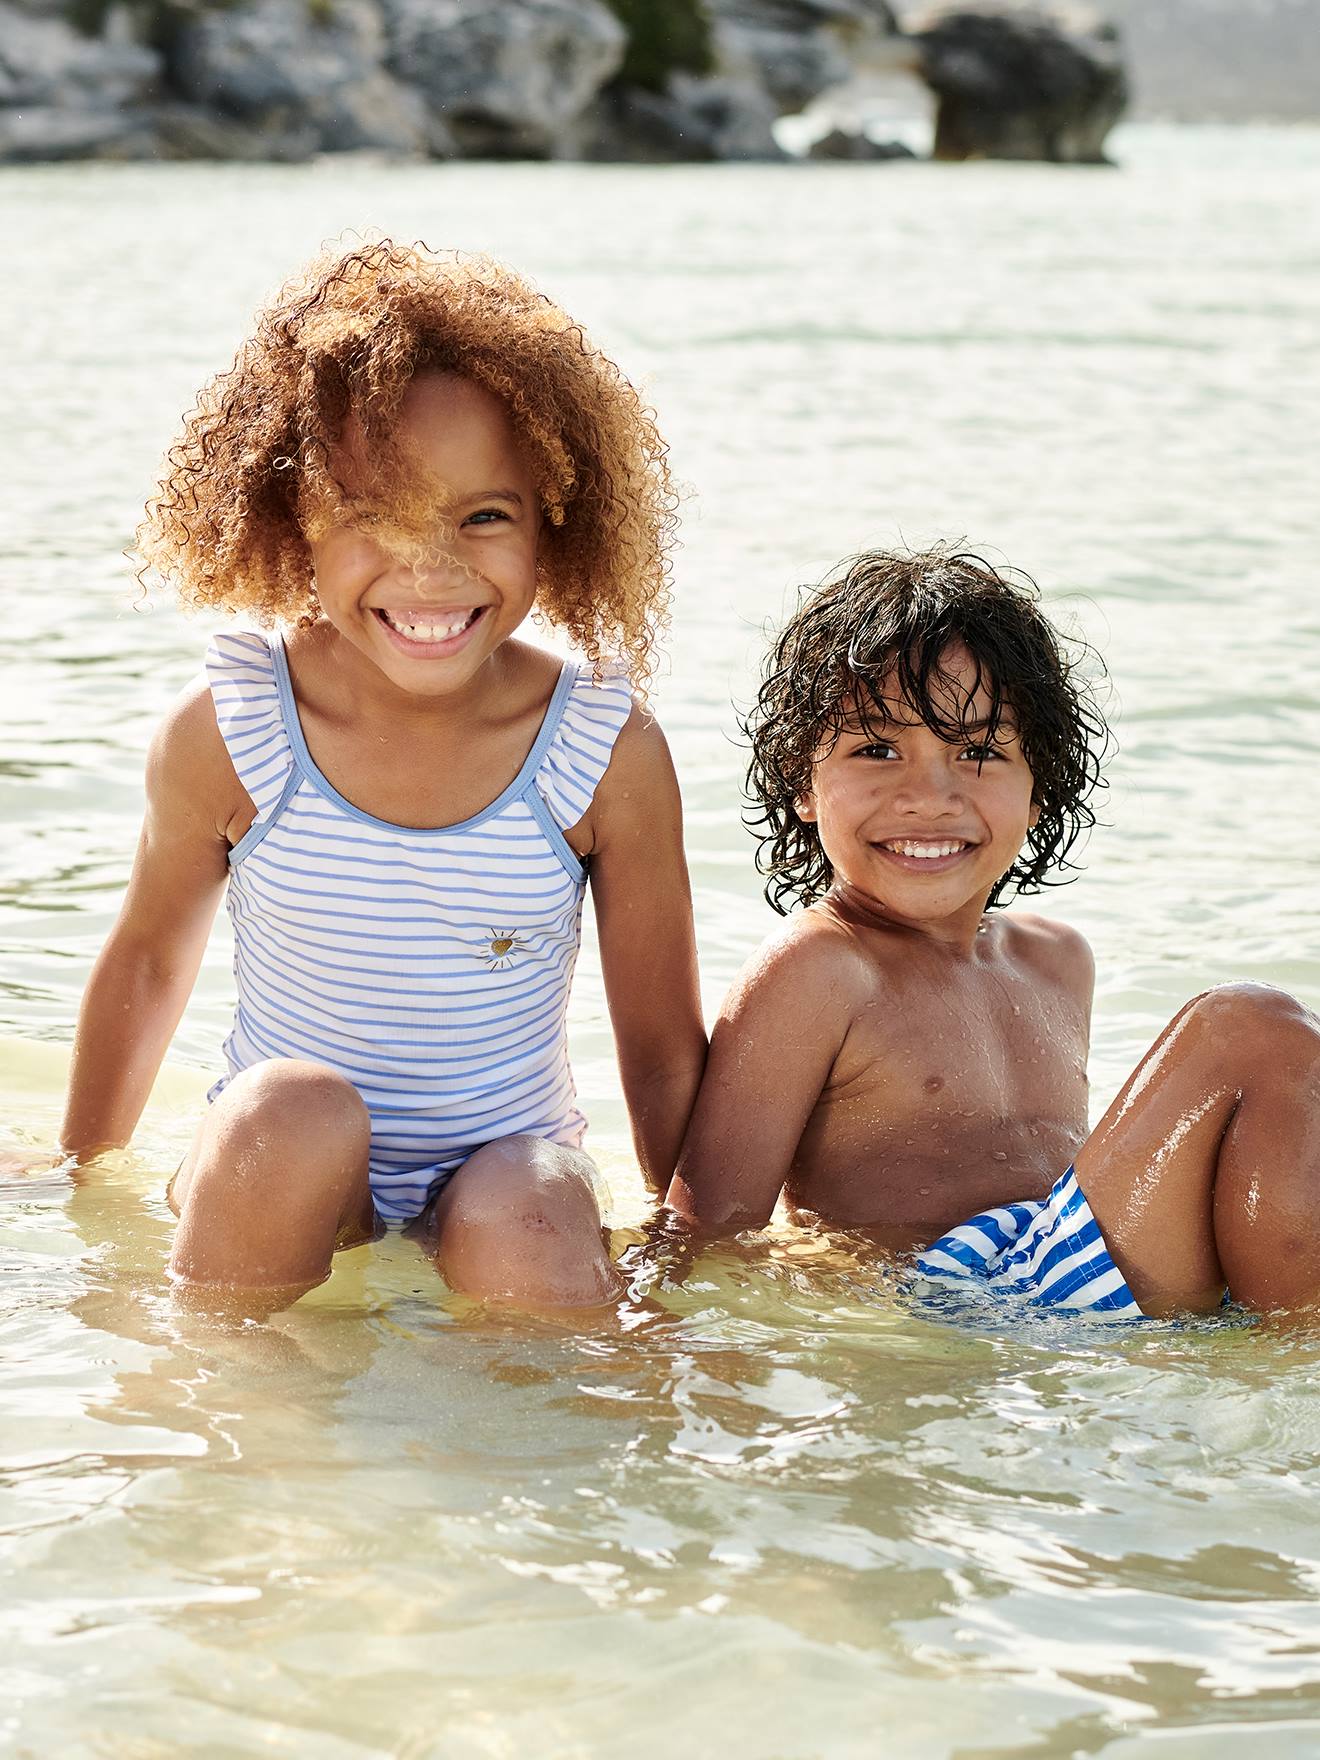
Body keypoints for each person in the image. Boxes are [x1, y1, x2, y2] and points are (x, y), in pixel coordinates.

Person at [56, 240, 706, 1314]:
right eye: (372, 515)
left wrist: (690, 1250)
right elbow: (145, 965)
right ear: (290, 517)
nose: (431, 568)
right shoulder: (235, 727)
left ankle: (546, 1447)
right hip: (279, 1172)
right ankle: (240, 1426)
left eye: (483, 516)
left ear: (557, 516)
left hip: (503, 1182)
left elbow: (661, 1042)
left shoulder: (600, 748)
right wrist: (84, 1171)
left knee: (528, 1196)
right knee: (285, 1112)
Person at [666, 547, 1320, 1318]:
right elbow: (708, 1227)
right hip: (960, 1297)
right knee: (1246, 1026)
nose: (929, 795)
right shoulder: (820, 968)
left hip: (1059, 1285)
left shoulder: (1055, 958)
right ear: (801, 783)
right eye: (877, 749)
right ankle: (1289, 1373)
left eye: (977, 751)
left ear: (1040, 790)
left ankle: (1270, 1349)